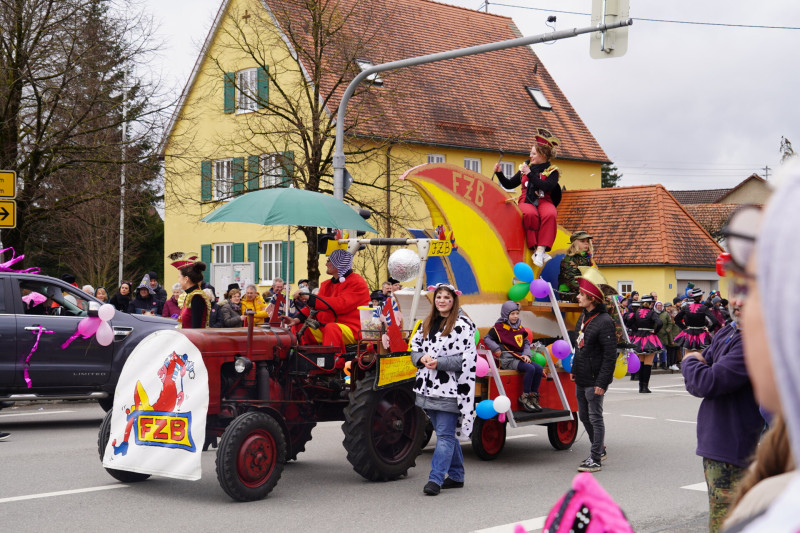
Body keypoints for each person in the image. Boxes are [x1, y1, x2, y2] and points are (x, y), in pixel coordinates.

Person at [682, 301, 762, 532]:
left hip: (733, 448)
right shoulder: (730, 330)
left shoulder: (752, 341)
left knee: (727, 522)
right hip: (718, 444)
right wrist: (697, 362)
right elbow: (704, 364)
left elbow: (707, 381)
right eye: (735, 292)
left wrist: (688, 360)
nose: (738, 301)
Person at [409, 283, 477, 496]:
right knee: (444, 433)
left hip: (451, 390)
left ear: (453, 300)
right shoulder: (427, 322)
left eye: (447, 297)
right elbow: (414, 348)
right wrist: (422, 358)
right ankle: (456, 476)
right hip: (428, 389)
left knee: (446, 435)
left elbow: (467, 360)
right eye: (439, 297)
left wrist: (439, 362)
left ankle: (435, 480)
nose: (442, 300)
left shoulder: (463, 325)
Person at [493, 128, 562, 267]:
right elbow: (509, 184)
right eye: (531, 153)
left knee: (550, 213)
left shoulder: (552, 171)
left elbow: (546, 186)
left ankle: (541, 250)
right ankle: (535, 248)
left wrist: (530, 174)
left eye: (534, 153)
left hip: (545, 200)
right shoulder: (524, 168)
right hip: (526, 200)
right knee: (529, 214)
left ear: (542, 154)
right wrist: (499, 173)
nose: (530, 156)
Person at [571, 266, 617, 473]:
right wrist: (574, 367)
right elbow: (578, 346)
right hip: (582, 376)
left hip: (594, 379)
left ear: (591, 298)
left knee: (595, 417)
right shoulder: (584, 317)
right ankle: (599, 448)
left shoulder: (605, 321)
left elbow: (609, 356)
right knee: (583, 416)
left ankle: (595, 457)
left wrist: (602, 382)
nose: (578, 297)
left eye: (581, 294)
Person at [286, 249, 370, 358]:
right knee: (298, 327)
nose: (326, 264)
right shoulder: (327, 285)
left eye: (329, 261)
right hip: (327, 326)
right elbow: (313, 307)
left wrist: (310, 297)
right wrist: (296, 319)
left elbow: (340, 304)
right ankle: (303, 360)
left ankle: (333, 365)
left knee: (331, 328)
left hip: (352, 328)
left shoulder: (357, 282)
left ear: (337, 264)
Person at [483, 301, 543, 412]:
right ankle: (524, 397)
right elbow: (487, 338)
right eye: (512, 314)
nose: (515, 316)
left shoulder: (518, 327)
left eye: (517, 313)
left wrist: (526, 354)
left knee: (538, 368)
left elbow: (525, 342)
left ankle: (533, 397)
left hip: (519, 357)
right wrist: (496, 349)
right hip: (508, 360)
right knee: (530, 368)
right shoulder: (499, 328)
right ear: (506, 315)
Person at [625, 294, 663, 394]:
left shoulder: (637, 312)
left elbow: (628, 322)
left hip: (638, 338)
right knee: (648, 363)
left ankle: (640, 387)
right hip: (649, 338)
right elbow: (659, 323)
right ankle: (645, 387)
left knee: (641, 363)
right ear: (651, 303)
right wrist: (655, 331)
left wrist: (636, 329)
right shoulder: (651, 313)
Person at [674, 288, 719, 365]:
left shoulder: (686, 307)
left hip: (689, 334)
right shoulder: (703, 308)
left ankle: (687, 375)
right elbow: (715, 321)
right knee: (701, 358)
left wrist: (684, 328)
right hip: (701, 335)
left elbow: (676, 319)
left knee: (687, 358)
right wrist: (709, 329)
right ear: (701, 297)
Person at [558, 230, 594, 301]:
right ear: (575, 243)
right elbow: (571, 280)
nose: (586, 244)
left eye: (587, 241)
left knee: (605, 299)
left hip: (581, 291)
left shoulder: (586, 258)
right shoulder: (569, 259)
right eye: (582, 241)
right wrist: (587, 291)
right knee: (593, 299)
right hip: (568, 293)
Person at [177, 262, 211, 328]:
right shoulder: (189, 295)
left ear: (186, 279)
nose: (178, 280)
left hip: (193, 337)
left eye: (179, 277)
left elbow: (196, 328)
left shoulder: (196, 297)